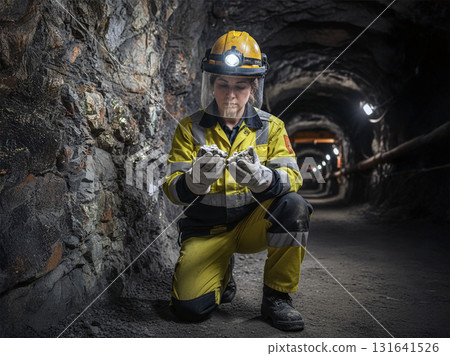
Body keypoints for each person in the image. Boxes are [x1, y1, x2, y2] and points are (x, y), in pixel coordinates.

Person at [163, 30, 313, 331]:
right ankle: (221, 272)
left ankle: (277, 298)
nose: (231, 95)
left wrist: (265, 179)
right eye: (223, 84)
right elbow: (171, 187)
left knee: (294, 206)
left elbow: (294, 177)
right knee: (189, 309)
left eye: (240, 86)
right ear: (212, 83)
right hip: (207, 229)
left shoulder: (272, 127)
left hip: (251, 224)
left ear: (253, 87)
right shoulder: (189, 128)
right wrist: (193, 181)